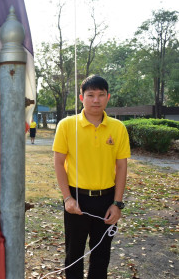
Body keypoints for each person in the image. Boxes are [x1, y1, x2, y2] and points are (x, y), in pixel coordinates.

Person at [52, 75, 130, 279]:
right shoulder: (66, 125)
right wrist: (67, 198)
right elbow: (59, 163)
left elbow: (122, 166)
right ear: (81, 97)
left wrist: (117, 203)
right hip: (77, 198)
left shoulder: (118, 128)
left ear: (108, 97)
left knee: (101, 255)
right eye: (91, 95)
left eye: (101, 95)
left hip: (107, 200)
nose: (96, 100)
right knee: (74, 255)